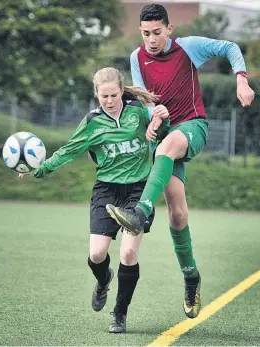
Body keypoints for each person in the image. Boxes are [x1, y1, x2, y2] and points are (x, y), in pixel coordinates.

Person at [106, 3, 255, 319]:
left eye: (157, 33)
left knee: (165, 151)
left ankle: (141, 212)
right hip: (165, 137)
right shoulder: (137, 58)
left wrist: (241, 78)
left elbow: (230, 47)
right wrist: (152, 116)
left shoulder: (189, 49)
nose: (152, 40)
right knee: (177, 214)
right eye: (146, 34)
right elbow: (147, 100)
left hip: (193, 126)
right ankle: (192, 278)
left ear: (169, 30)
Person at [19, 67, 170, 333]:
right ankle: (103, 280)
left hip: (138, 190)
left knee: (128, 251)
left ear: (122, 91)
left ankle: (119, 314)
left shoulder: (138, 112)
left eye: (114, 95)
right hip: (106, 190)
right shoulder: (92, 121)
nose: (109, 100)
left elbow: (161, 131)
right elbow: (69, 150)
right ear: (96, 95)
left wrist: (161, 120)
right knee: (97, 254)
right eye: (104, 96)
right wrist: (40, 169)